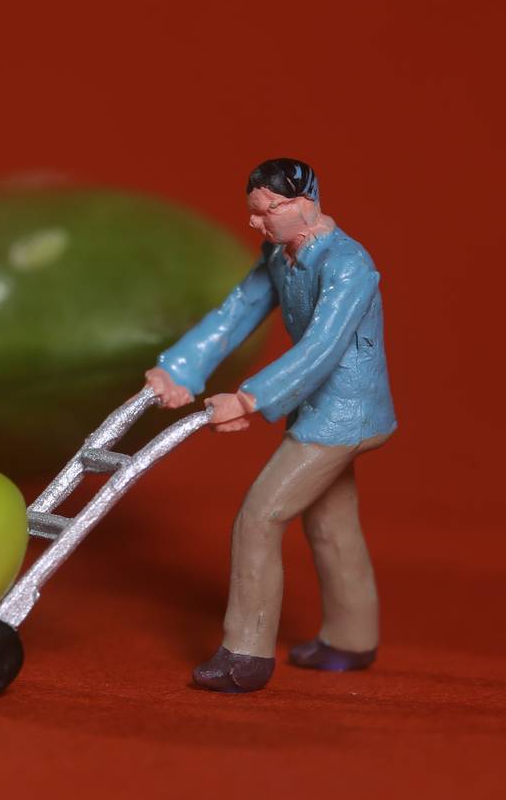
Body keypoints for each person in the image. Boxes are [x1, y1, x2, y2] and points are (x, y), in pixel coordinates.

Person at [145, 158, 395, 693]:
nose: (256, 223)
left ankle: (245, 653)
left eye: (267, 212)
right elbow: (235, 312)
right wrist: (179, 368)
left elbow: (323, 347)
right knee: (330, 521)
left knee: (259, 517)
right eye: (252, 212)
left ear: (305, 205)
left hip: (345, 410)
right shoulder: (280, 257)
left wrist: (249, 399)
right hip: (319, 407)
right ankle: (351, 637)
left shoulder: (348, 265)